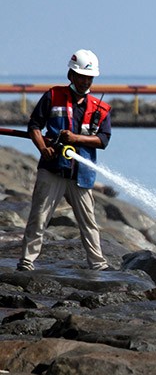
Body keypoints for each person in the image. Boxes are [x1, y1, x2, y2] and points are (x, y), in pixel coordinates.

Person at [17, 49, 112, 271]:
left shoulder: (101, 109)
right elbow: (34, 126)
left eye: (89, 78)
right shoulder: (53, 96)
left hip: (81, 174)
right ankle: (27, 261)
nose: (84, 81)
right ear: (71, 75)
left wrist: (75, 138)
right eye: (81, 76)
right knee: (39, 217)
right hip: (52, 169)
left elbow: (103, 140)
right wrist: (43, 148)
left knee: (89, 223)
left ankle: (98, 265)